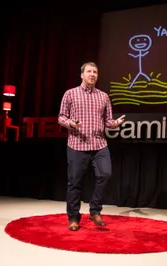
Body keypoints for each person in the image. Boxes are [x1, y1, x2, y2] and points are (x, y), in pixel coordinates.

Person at [58, 62, 125, 231]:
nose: (92, 74)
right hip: (77, 145)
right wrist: (70, 123)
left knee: (105, 174)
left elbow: (107, 121)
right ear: (82, 75)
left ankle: (95, 211)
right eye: (89, 71)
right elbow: (61, 117)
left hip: (99, 145)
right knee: (75, 183)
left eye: (95, 72)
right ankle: (73, 218)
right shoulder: (70, 94)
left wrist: (115, 123)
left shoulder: (103, 96)